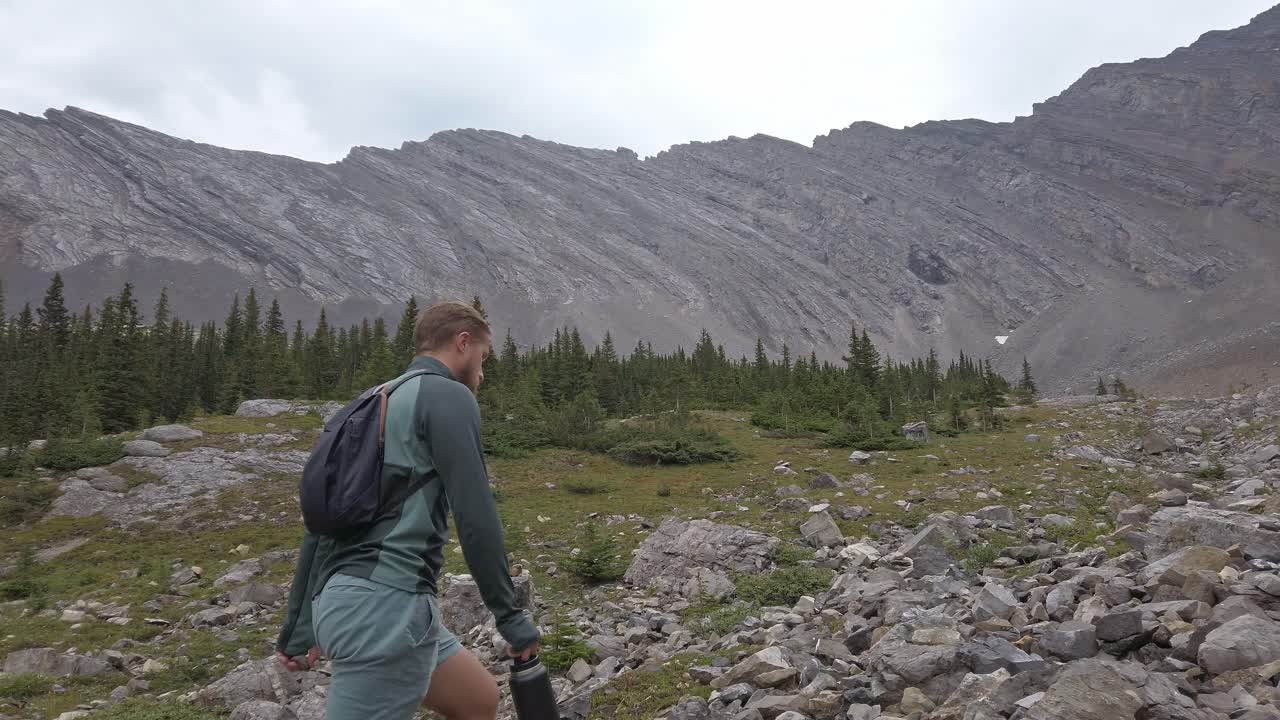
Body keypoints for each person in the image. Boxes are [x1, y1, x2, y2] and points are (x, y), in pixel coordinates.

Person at [275, 301, 539, 720]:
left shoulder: (372, 400)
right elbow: (475, 516)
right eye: (483, 358)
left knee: (477, 700)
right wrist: (510, 616)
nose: (483, 373)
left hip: (348, 601)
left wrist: (299, 625)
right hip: (387, 610)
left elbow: (321, 523)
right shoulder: (446, 396)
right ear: (463, 343)